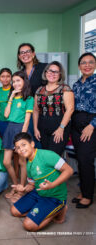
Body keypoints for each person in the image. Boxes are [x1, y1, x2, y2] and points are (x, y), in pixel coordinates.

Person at [11, 132, 73, 231]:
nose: (21, 149)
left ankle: (60, 210)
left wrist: (52, 185)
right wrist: (23, 189)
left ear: (32, 144)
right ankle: (40, 212)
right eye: (17, 148)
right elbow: (32, 185)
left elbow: (69, 170)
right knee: (14, 211)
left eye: (23, 145)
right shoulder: (28, 165)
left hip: (54, 197)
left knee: (28, 225)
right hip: (39, 193)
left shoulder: (47, 155)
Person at [2, 71, 34, 201]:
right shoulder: (13, 96)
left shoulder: (29, 99)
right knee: (6, 161)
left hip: (21, 130)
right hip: (10, 128)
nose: (15, 83)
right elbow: (5, 115)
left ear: (24, 81)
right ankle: (15, 185)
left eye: (18, 81)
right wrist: (11, 97)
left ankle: (21, 188)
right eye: (14, 81)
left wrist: (22, 138)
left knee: (22, 161)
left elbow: (27, 120)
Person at [71, 52, 96, 209]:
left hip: (90, 124)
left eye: (91, 62)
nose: (87, 65)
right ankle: (83, 191)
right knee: (80, 158)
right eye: (84, 62)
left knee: (86, 159)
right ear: (79, 66)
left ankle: (88, 196)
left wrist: (92, 125)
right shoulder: (76, 84)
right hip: (76, 123)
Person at [33, 61, 74, 155]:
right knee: (46, 156)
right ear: (45, 72)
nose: (52, 74)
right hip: (42, 127)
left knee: (54, 156)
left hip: (59, 126)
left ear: (60, 75)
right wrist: (35, 128)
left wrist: (61, 128)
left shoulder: (65, 89)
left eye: (56, 72)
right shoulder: (39, 90)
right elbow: (35, 110)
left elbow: (70, 109)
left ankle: (64, 170)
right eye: (50, 71)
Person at [0, 68, 12, 136]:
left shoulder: (14, 89)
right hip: (2, 120)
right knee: (2, 141)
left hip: (12, 121)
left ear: (11, 77)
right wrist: (0, 107)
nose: (5, 79)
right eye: (3, 76)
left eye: (8, 76)